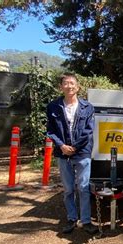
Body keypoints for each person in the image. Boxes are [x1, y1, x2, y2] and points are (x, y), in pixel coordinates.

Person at [46, 72, 98, 235]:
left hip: (82, 152)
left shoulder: (87, 107)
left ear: (78, 87)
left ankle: (86, 221)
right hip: (63, 154)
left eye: (72, 83)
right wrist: (62, 146)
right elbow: (50, 130)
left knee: (83, 188)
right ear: (61, 87)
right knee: (68, 189)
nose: (69, 86)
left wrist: (73, 147)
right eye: (65, 83)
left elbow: (89, 131)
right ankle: (71, 218)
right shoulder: (53, 107)